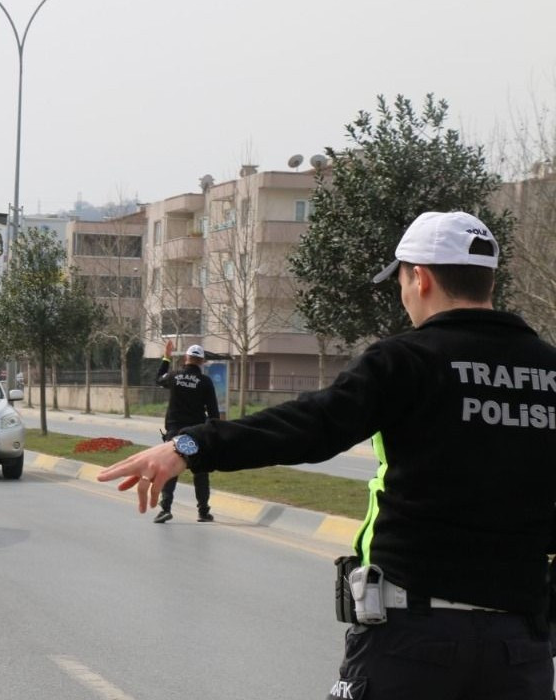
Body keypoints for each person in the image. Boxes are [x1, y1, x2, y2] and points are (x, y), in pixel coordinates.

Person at [98, 211, 556, 699]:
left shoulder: (407, 360)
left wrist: (189, 445)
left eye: (401, 279)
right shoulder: (549, 369)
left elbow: (309, 425)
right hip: (520, 650)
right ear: (489, 279)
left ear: (419, 278)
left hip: (412, 641)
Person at [152, 339, 221, 523]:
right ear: (202, 362)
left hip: (175, 433)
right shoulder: (205, 382)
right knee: (200, 472)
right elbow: (214, 413)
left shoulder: (174, 376)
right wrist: (214, 435)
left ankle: (165, 508)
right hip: (196, 433)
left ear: (186, 358)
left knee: (171, 470)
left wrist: (166, 357)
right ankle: (203, 512)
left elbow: (159, 379)